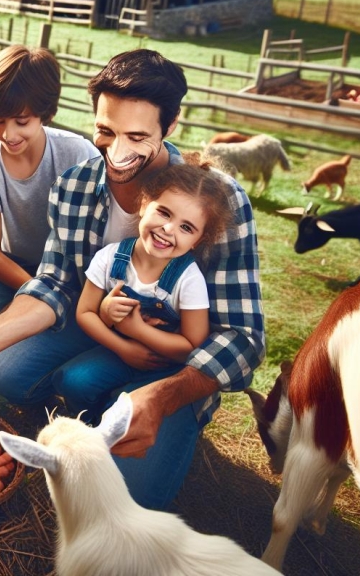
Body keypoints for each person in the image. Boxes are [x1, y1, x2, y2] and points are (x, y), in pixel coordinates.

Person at [0, 49, 263, 510]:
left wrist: (166, 395)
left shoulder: (220, 200)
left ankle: (147, 407)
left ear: (171, 126)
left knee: (130, 498)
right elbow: (53, 284)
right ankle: (93, 388)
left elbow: (244, 337)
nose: (118, 151)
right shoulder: (74, 185)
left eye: (137, 136)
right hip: (97, 323)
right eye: (105, 132)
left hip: (175, 359)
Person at [60, 160, 236, 413]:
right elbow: (84, 313)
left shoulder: (188, 279)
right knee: (72, 381)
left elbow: (191, 346)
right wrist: (115, 330)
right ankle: (91, 420)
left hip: (166, 369)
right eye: (164, 212)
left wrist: (138, 329)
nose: (168, 229)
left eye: (186, 228)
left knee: (129, 407)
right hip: (118, 352)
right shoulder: (110, 258)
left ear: (199, 240)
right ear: (144, 205)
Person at [0, 44, 97, 333]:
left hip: (66, 270)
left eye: (22, 122)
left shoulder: (78, 153)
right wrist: (35, 292)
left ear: (44, 113)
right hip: (10, 266)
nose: (9, 134)